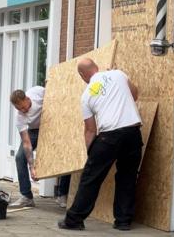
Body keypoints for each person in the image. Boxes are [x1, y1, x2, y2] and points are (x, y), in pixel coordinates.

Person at [58, 58, 142, 231]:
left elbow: (90, 130)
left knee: (91, 179)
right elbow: (134, 95)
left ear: (82, 75)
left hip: (108, 137)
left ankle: (74, 220)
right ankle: (123, 221)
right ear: (97, 67)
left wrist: (91, 154)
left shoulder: (86, 95)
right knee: (127, 177)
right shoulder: (118, 74)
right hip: (132, 133)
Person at [9, 86, 44, 208]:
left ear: (27, 98)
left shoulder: (37, 92)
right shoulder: (20, 116)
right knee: (20, 157)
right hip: (34, 131)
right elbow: (26, 142)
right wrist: (32, 167)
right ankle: (27, 197)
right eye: (19, 109)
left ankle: (62, 194)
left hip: (52, 126)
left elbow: (53, 97)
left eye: (24, 107)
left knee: (64, 154)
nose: (23, 111)